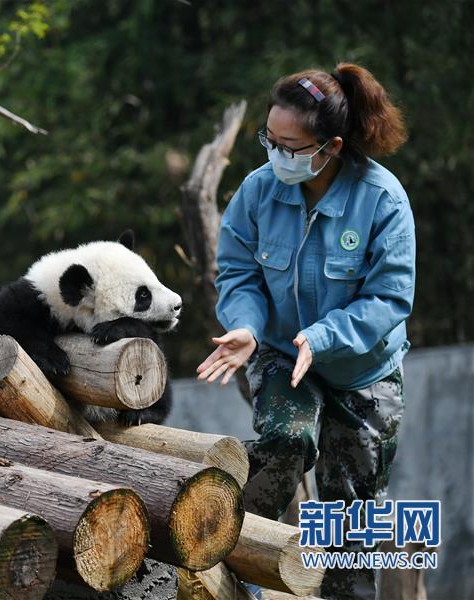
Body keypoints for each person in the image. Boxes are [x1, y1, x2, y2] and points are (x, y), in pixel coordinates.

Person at [196, 63, 414, 600]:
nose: (274, 153)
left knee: (349, 515)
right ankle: (213, 561)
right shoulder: (257, 192)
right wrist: (245, 325)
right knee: (286, 443)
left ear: (330, 146)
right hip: (279, 354)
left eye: (288, 145)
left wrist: (321, 337)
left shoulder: (382, 200)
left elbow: (389, 299)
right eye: (268, 139)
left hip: (362, 371)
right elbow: (239, 273)